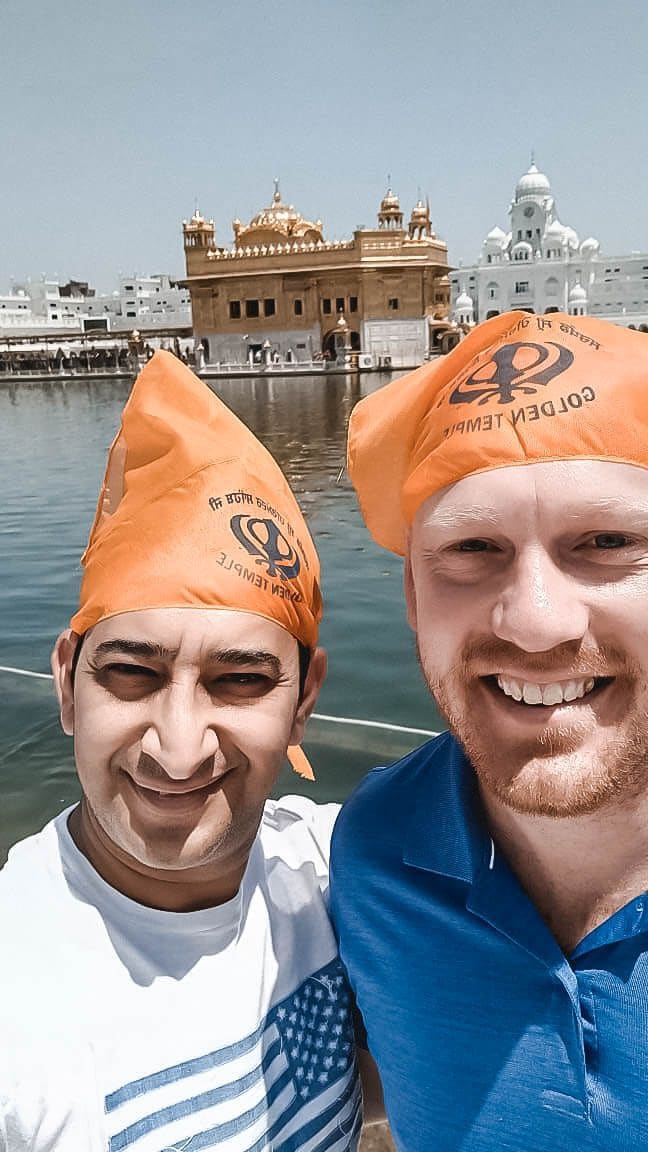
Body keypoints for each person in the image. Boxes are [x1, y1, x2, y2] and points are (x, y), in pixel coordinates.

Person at [0, 351, 365, 1151]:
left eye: (239, 682)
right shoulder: (16, 997)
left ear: (303, 702)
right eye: (132, 672)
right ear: (67, 683)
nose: (177, 747)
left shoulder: (341, 872)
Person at [331, 311, 648, 1150]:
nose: (537, 623)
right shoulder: (378, 854)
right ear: (411, 599)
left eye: (608, 541)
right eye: (473, 548)